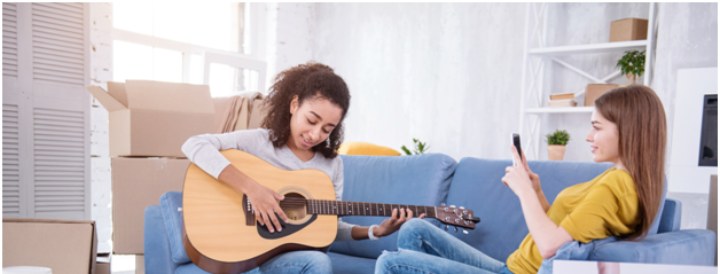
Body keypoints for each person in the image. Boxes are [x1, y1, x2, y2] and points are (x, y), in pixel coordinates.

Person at [374, 85, 667, 274]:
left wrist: (524, 191)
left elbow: (552, 246)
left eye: (597, 127)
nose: (589, 137)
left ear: (628, 131)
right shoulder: (618, 179)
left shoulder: (616, 187)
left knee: (391, 263)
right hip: (512, 265)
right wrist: (537, 192)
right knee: (415, 229)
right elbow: (566, 232)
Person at [182, 62, 417, 274]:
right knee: (319, 262)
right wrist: (253, 189)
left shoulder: (332, 165)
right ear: (294, 105)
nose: (315, 134)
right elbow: (194, 144)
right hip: (253, 253)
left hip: (295, 258)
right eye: (311, 120)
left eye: (327, 129)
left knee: (317, 259)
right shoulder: (261, 141)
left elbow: (328, 226)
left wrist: (374, 232)